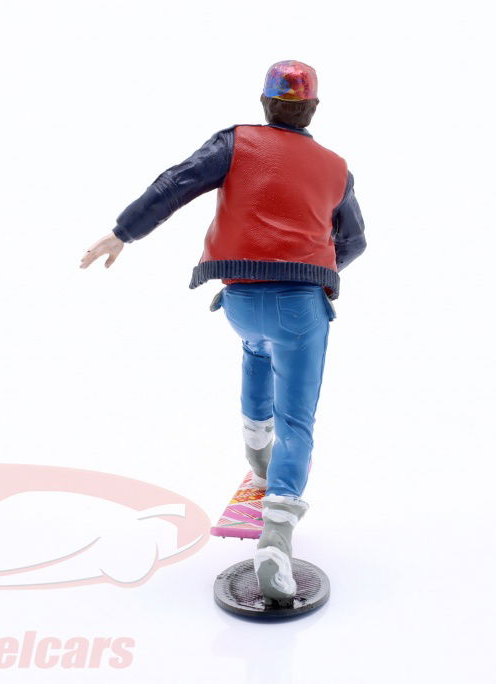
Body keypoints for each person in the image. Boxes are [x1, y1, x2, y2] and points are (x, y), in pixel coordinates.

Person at [80, 60, 366, 603]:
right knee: (297, 420)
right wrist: (318, 272)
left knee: (255, 353)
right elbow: (354, 242)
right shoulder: (335, 168)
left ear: (264, 104)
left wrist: (122, 233)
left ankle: (258, 463)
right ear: (312, 109)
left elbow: (175, 184)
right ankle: (276, 538)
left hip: (239, 301)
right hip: (300, 308)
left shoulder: (236, 142)